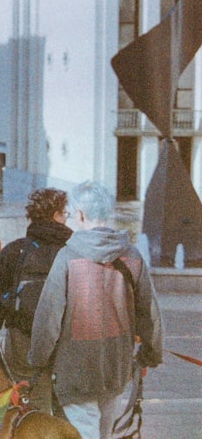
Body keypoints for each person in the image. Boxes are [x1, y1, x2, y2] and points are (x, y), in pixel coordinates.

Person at [30, 181, 163, 438]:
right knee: (105, 432)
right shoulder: (132, 256)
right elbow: (150, 313)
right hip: (116, 366)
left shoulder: (68, 257)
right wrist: (152, 352)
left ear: (79, 214)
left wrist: (38, 360)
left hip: (75, 368)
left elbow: (48, 318)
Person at [0, 188, 72, 413]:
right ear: (56, 216)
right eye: (64, 213)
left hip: (22, 336)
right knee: (66, 405)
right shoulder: (73, 251)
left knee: (31, 403)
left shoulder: (15, 251)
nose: (65, 218)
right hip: (67, 339)